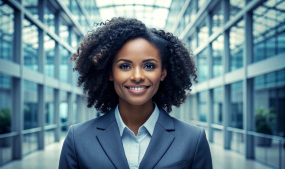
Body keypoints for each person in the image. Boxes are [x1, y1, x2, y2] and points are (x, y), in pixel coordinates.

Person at [59, 17, 212, 169]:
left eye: (149, 66)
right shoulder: (77, 138)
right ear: (110, 73)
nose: (137, 76)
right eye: (125, 66)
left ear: (163, 73)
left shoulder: (193, 139)